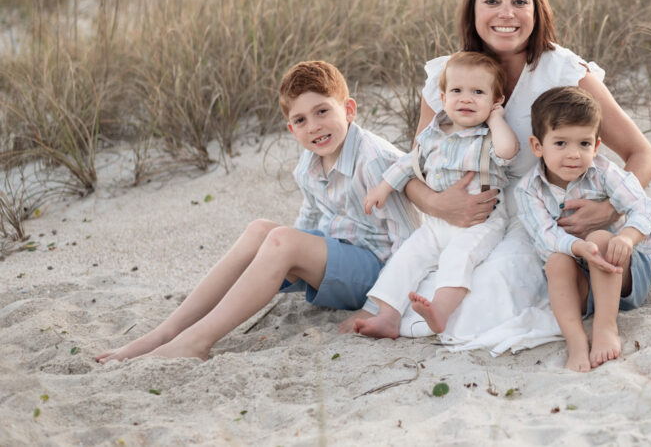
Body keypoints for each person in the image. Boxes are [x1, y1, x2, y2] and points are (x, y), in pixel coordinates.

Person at [340, 0, 651, 357]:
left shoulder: (563, 72)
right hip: (474, 222)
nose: (506, 13)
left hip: (546, 221)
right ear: (472, 9)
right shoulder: (450, 76)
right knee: (426, 287)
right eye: (492, 1)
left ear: (536, 9)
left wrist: (608, 209)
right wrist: (438, 204)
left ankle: (591, 298)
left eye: (519, 2)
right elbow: (417, 165)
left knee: (486, 294)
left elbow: (643, 154)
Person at [95, 61, 419, 362]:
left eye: (322, 111)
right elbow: (309, 218)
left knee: (281, 241)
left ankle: (196, 342)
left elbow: (411, 240)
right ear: (291, 129)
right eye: (301, 120)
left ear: (348, 110)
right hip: (342, 257)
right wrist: (281, 262)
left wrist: (376, 307)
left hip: (379, 277)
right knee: (260, 230)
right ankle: (167, 331)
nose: (314, 127)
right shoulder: (310, 161)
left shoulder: (373, 160)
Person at [353, 51, 518, 338]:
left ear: (495, 101)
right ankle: (388, 316)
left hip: (481, 222)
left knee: (459, 255)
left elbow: (508, 151)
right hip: (437, 223)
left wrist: (496, 119)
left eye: (478, 92)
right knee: (407, 256)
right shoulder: (433, 134)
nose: (466, 99)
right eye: (457, 91)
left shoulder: (489, 137)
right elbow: (410, 162)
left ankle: (440, 311)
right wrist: (384, 187)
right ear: (443, 98)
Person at [517, 86, 651, 372]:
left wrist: (627, 238)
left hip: (620, 272)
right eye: (560, 143)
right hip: (581, 285)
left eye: (584, 144)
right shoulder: (529, 190)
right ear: (537, 146)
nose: (573, 154)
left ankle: (605, 327)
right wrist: (578, 247)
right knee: (556, 261)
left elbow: (644, 207)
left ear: (596, 146)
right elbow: (544, 236)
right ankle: (576, 340)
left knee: (600, 239)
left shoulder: (604, 172)